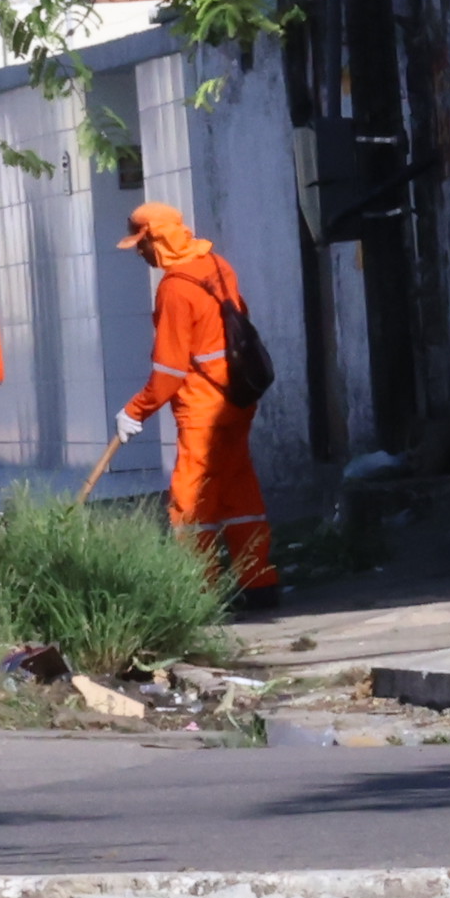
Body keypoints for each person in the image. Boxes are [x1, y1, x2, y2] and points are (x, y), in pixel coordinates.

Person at [104, 199, 274, 604]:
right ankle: (260, 584)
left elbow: (169, 372)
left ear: (155, 240)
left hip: (203, 407)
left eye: (141, 246)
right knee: (238, 489)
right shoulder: (218, 265)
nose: (140, 254)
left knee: (191, 502)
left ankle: (200, 593)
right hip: (238, 396)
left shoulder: (175, 289)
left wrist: (134, 412)